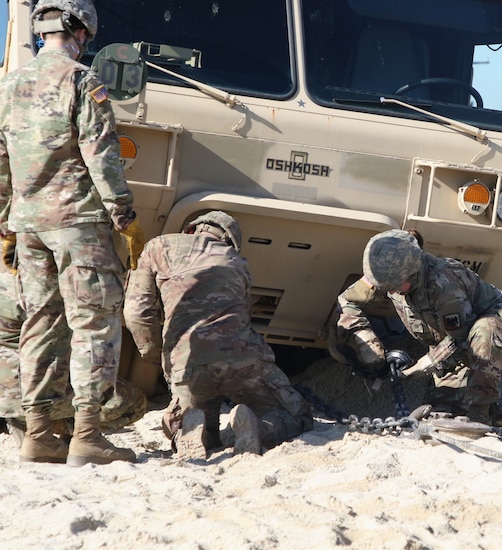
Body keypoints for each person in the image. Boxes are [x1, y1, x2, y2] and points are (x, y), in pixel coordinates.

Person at [0, 0, 145, 465]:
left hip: (29, 226)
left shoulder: (9, 85)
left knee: (39, 323)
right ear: (80, 31)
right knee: (93, 324)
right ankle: (87, 436)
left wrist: (6, 223)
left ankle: (38, 433)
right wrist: (124, 216)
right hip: (78, 224)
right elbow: (101, 155)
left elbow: (2, 164)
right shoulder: (82, 81)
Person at [123, 211, 314, 459]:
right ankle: (262, 429)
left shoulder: (157, 246)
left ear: (190, 230)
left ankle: (193, 431)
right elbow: (243, 317)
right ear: (228, 240)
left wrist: (156, 353)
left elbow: (137, 311)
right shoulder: (236, 262)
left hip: (188, 363)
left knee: (191, 417)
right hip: (243, 359)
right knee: (295, 414)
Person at [337, 229, 502, 426]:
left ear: (412, 273)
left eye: (396, 284)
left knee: (484, 330)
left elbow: (460, 338)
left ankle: (479, 414)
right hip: (457, 346)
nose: (390, 290)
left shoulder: (443, 284)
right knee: (444, 413)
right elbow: (348, 302)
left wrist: (424, 364)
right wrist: (369, 346)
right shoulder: (384, 272)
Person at [0, 269, 147, 445]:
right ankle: (47, 425)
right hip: (25, 393)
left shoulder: (7, 283)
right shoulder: (46, 291)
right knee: (131, 402)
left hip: (10, 385)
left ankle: (20, 418)